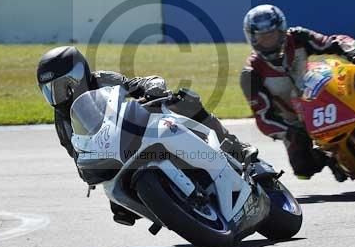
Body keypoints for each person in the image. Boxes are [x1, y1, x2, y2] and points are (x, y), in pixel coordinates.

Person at [37, 45, 257, 226]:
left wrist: (153, 88)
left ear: (79, 75)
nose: (58, 97)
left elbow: (137, 83)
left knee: (185, 101)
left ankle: (234, 148)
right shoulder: (63, 123)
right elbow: (79, 157)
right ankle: (172, 205)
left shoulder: (103, 80)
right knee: (117, 203)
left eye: (63, 87)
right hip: (114, 155)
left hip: (136, 130)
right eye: (50, 91)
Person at [239, 4, 355, 180]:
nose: (269, 41)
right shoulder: (251, 73)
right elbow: (263, 117)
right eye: (263, 38)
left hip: (325, 97)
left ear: (282, 30)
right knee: (303, 169)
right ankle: (332, 160)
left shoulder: (297, 37)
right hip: (296, 123)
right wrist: (289, 131)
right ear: (253, 39)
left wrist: (354, 52)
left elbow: (332, 42)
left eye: (272, 35)